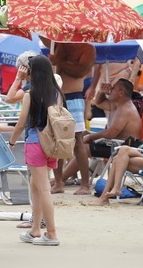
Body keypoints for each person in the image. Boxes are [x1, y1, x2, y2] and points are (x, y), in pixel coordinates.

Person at [8, 55, 62, 246]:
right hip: (51, 145)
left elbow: (21, 123)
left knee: (43, 188)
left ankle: (52, 233)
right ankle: (35, 229)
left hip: (35, 143)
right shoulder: (56, 93)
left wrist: (12, 143)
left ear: (33, 72)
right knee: (36, 186)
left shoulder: (31, 94)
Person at [47, 42, 96, 195]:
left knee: (77, 141)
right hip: (57, 96)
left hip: (74, 97)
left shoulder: (87, 48)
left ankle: (85, 184)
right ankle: (59, 182)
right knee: (57, 141)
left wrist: (58, 61)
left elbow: (81, 71)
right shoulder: (60, 44)